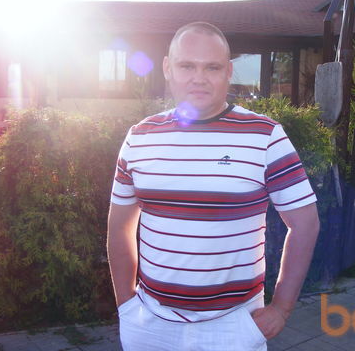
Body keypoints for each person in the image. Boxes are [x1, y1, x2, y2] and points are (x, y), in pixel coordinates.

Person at [107, 22, 320, 351]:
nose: (199, 78)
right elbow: (119, 228)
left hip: (233, 327)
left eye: (212, 67)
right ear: (167, 68)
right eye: (186, 66)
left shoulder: (265, 136)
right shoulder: (139, 137)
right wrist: (126, 304)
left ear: (229, 71)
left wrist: (281, 308)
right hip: (151, 326)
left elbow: (305, 224)